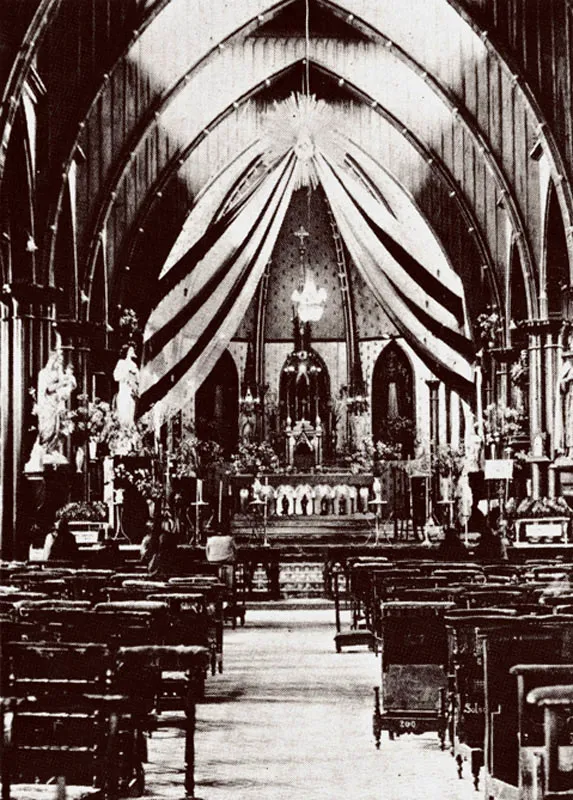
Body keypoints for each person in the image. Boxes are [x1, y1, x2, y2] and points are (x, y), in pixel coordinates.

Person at [113, 345, 139, 426]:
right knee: (123, 414)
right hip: (124, 391)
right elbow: (116, 376)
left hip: (131, 392)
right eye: (130, 350)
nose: (132, 352)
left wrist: (134, 375)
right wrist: (126, 373)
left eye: (133, 350)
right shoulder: (121, 363)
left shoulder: (134, 365)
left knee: (131, 412)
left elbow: (138, 378)